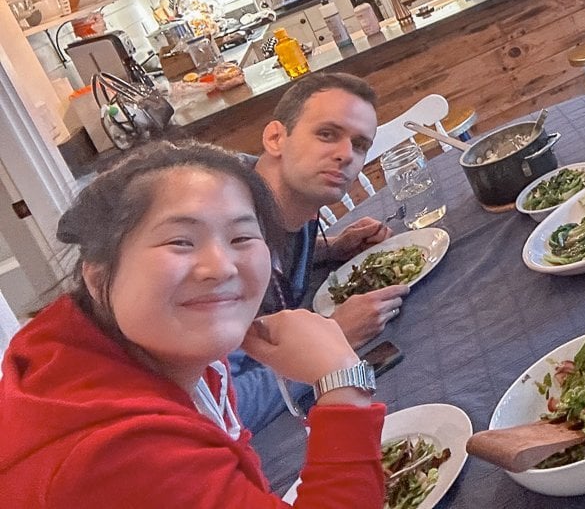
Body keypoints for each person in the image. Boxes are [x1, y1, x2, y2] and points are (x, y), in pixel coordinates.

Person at [0, 141, 385, 508]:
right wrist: (343, 384)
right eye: (180, 242)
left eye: (241, 237)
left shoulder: (136, 352)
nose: (220, 267)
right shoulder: (118, 454)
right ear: (99, 279)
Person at [231, 72, 408, 431]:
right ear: (276, 137)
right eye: (327, 134)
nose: (346, 155)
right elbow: (228, 408)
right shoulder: (223, 244)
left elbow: (278, 260)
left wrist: (329, 249)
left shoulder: (284, 201)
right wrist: (334, 338)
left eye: (359, 145)